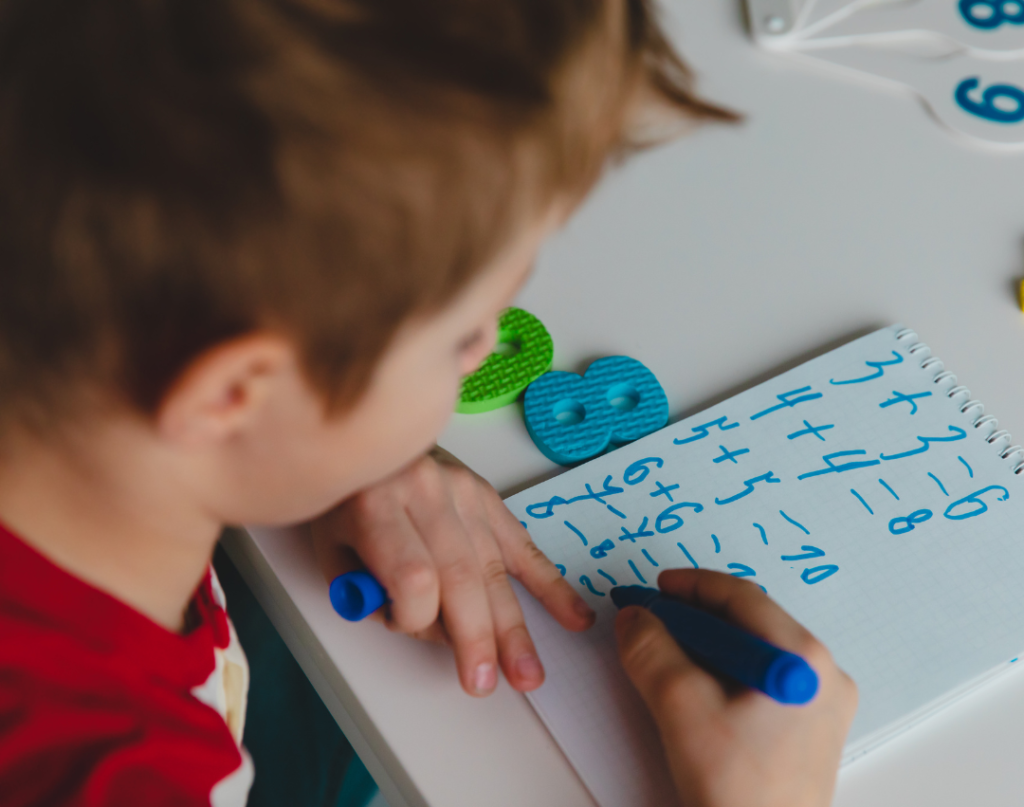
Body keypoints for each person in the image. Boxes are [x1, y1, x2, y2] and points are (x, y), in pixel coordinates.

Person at [0, 0, 856, 805]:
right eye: (462, 338)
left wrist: (318, 440)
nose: (489, 351)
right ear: (230, 395)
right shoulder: (116, 772)